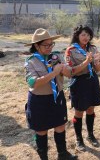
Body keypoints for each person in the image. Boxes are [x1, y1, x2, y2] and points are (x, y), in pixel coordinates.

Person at [24, 28, 77, 159]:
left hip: (56, 97)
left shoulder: (56, 56)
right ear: (36, 45)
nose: (49, 47)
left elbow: (70, 72)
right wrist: (53, 73)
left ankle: (62, 154)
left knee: (60, 125)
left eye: (51, 44)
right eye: (45, 45)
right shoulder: (30, 61)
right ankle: (43, 156)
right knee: (41, 130)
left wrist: (65, 70)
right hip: (39, 100)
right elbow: (33, 83)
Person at [65, 25, 100, 152]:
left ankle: (90, 135)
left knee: (91, 108)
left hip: (92, 81)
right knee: (79, 111)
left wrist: (97, 61)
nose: (86, 37)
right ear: (77, 36)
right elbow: (70, 72)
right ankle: (79, 139)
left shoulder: (92, 48)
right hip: (79, 82)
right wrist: (87, 62)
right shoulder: (71, 50)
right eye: (83, 35)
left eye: (88, 35)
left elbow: (98, 70)